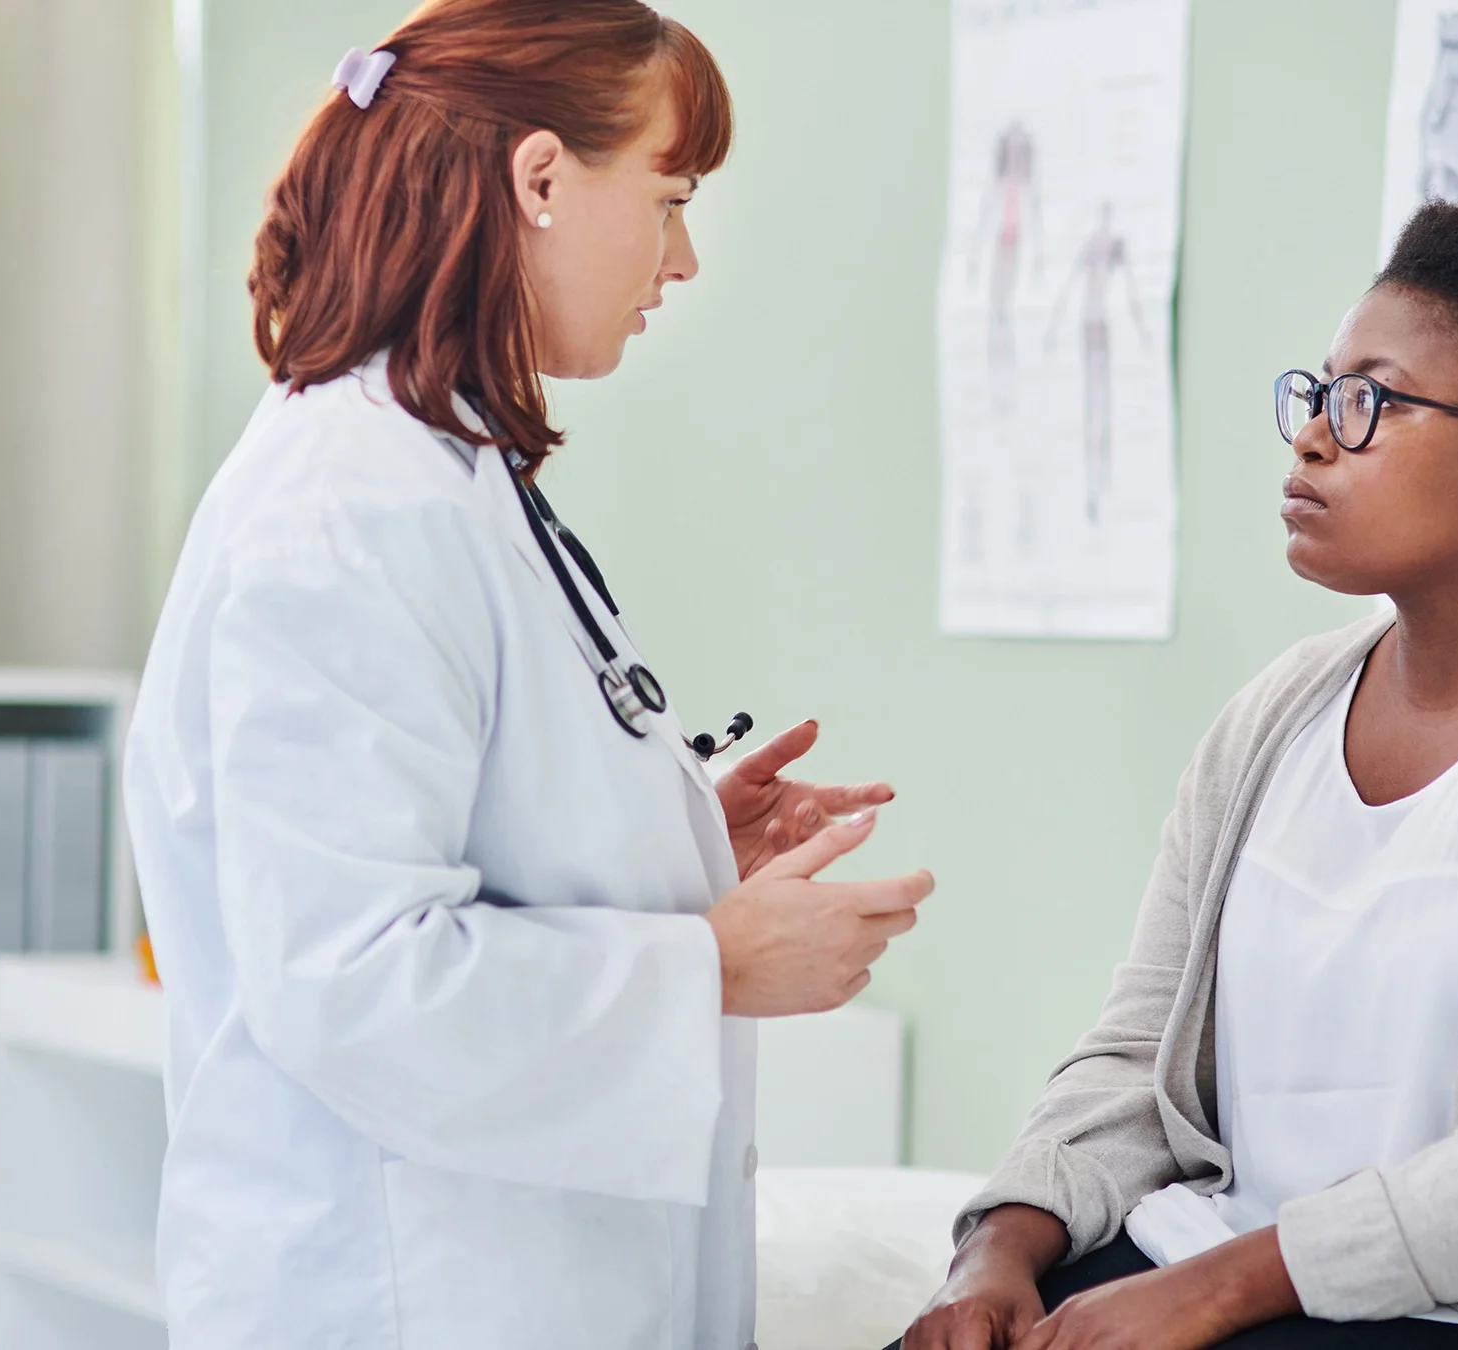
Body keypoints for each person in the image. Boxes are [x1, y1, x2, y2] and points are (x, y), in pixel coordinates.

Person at [121, 4, 934, 1347]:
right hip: (398, 1296)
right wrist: (711, 963)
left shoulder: (444, 477)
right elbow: (357, 976)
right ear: (541, 178)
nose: (681, 258)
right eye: (668, 198)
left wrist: (679, 847)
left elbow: (462, 830)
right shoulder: (348, 512)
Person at [902, 203, 1458, 1349]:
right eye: (1319, 393)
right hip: (1242, 1262)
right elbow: (1140, 1056)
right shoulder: (1273, 717)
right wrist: (998, 1248)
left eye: (1370, 402)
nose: (1314, 439)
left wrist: (1217, 1289)